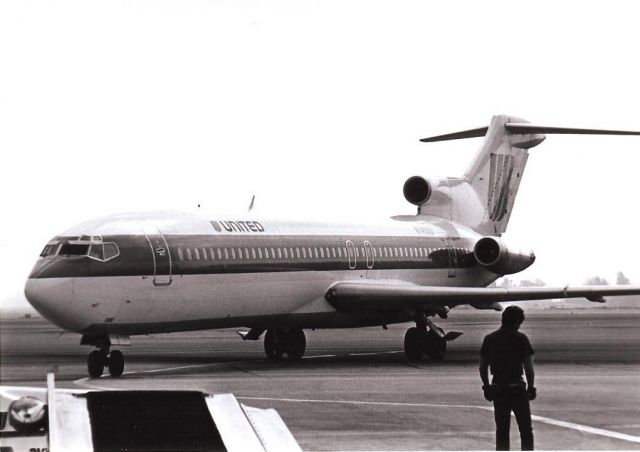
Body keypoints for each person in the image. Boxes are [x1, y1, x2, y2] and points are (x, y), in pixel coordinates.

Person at [479, 305, 536, 451]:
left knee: (502, 431)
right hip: (517, 388)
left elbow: (483, 367)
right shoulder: (521, 338)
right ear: (517, 322)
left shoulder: (490, 339)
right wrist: (531, 387)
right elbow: (529, 367)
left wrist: (486, 386)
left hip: (498, 388)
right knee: (525, 430)